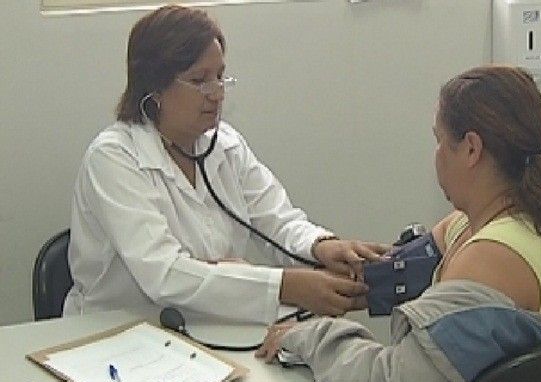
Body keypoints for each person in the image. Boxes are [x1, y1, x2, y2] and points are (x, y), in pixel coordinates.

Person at [256, 65, 541, 382]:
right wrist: (332, 280)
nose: (437, 155)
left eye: (440, 140)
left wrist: (309, 335)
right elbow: (407, 268)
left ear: (471, 148)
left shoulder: (491, 257)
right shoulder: (516, 219)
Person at [64, 5, 389, 323]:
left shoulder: (225, 145)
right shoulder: (113, 159)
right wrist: (284, 286)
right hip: (117, 335)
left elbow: (279, 222)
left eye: (220, 76)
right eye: (200, 79)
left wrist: (322, 247)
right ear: (155, 87)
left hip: (208, 324)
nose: (217, 93)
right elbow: (165, 275)